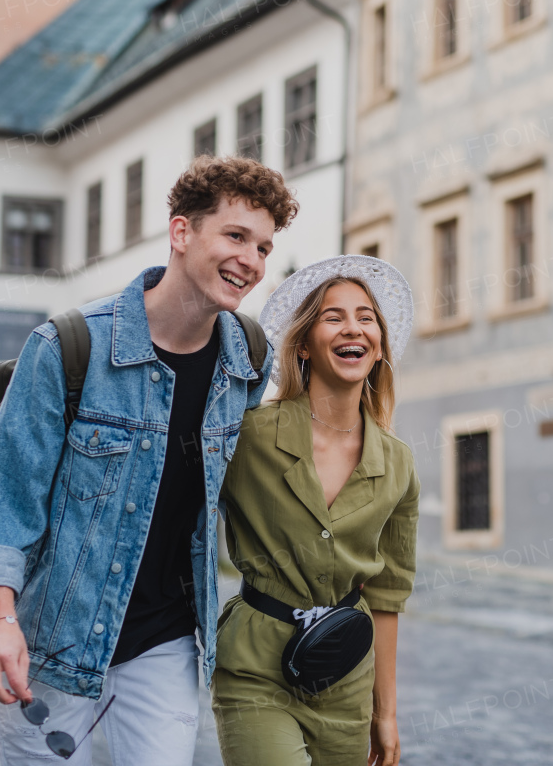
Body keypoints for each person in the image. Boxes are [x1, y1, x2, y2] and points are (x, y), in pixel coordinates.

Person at [0, 155, 299, 765]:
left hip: (166, 640)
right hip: (54, 638)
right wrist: (0, 620)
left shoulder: (248, 355)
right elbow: (6, 497)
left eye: (265, 248)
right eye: (236, 236)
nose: (252, 260)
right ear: (181, 232)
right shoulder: (68, 346)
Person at [212, 256, 420, 766]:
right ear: (303, 343)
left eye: (367, 317)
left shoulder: (397, 462)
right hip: (255, 670)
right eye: (334, 317)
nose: (354, 328)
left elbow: (388, 594)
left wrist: (385, 712)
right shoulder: (249, 435)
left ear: (379, 346)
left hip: (346, 674)